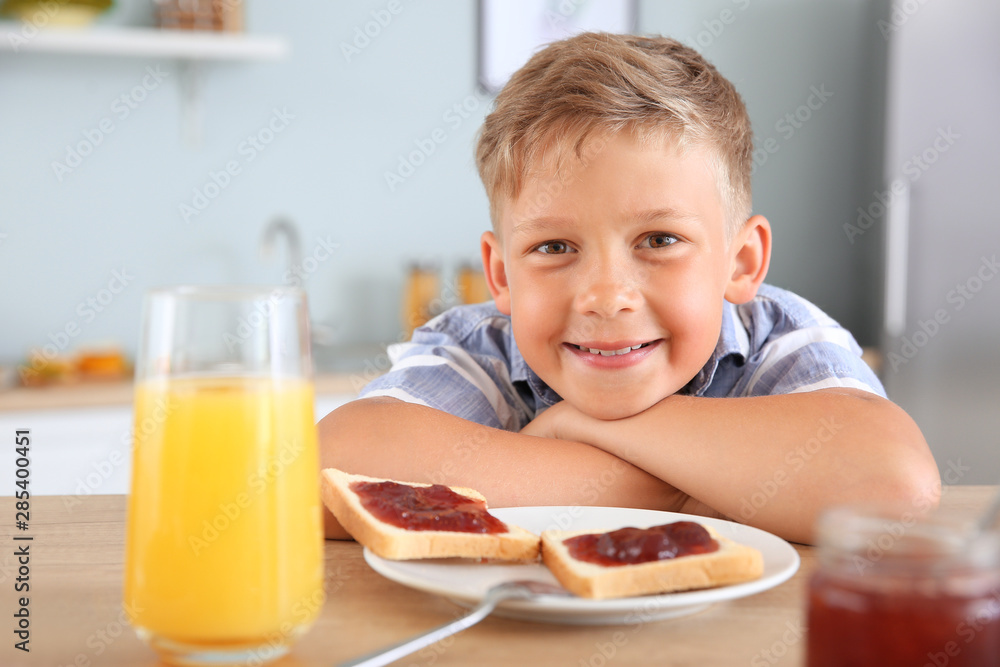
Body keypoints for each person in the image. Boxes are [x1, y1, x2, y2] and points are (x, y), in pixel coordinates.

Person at [319, 32, 940, 544]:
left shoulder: (780, 336)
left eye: (660, 240)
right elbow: (321, 473)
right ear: (502, 274)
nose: (606, 296)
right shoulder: (477, 347)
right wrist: (696, 485)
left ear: (742, 261)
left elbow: (893, 485)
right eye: (554, 248)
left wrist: (579, 428)